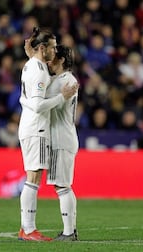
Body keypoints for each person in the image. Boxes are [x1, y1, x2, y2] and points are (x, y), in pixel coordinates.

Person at [17, 27, 77, 241]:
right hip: (39, 130)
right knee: (35, 179)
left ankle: (65, 231)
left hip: (55, 136)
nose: (52, 53)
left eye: (55, 50)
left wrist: (33, 56)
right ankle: (29, 229)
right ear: (43, 49)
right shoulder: (42, 71)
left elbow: (34, 100)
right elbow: (37, 103)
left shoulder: (59, 78)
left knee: (54, 183)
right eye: (51, 47)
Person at [46, 45, 79, 241]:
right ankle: (70, 230)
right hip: (63, 136)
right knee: (63, 185)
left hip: (61, 137)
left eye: (53, 57)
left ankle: (69, 232)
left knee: (62, 186)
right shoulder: (63, 79)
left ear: (62, 60)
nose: (49, 61)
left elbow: (43, 101)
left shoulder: (65, 81)